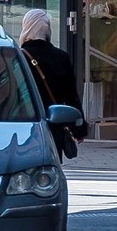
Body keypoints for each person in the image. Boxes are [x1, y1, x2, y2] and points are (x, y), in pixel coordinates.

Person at [17, 9, 85, 156]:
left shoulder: (19, 57)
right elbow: (71, 95)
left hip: (25, 124)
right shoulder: (61, 57)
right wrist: (79, 129)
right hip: (55, 125)